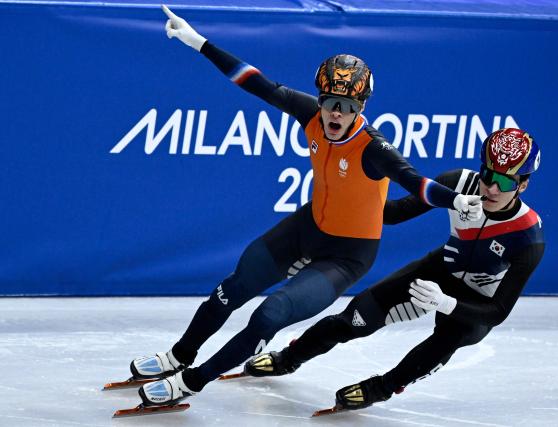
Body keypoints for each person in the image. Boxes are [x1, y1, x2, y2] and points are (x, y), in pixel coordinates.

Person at [132, 5, 483, 407]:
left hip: (348, 255)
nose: (337, 113)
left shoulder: (373, 148)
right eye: (332, 102)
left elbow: (414, 182)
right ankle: (180, 354)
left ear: (362, 109)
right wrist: (198, 42)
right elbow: (254, 81)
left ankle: (192, 381)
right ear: (321, 99)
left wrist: (453, 199)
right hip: (308, 227)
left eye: (349, 107)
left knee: (269, 315)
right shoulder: (311, 115)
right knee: (233, 286)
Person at [244, 128, 545, 411]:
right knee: (354, 318)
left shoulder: (528, 236)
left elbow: (498, 310)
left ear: (523, 184)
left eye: (504, 182)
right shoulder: (458, 184)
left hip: (475, 302)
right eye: (487, 175)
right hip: (440, 270)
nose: (491, 188)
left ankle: (382, 387)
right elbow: (394, 213)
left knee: (444, 342)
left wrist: (445, 303)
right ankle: (288, 358)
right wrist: (352, 188)